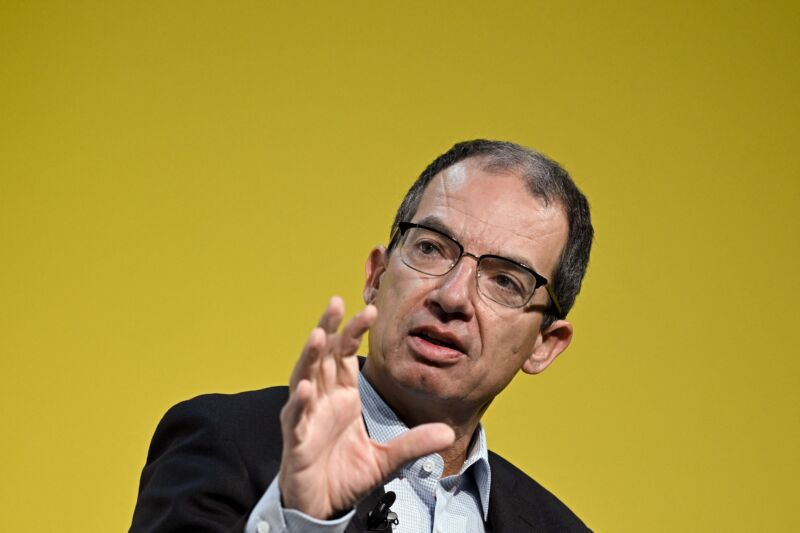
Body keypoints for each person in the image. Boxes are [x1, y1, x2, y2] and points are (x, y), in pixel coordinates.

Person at [130, 139, 594, 532]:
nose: (452, 297)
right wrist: (302, 521)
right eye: (431, 248)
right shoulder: (224, 442)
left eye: (505, 280)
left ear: (544, 344)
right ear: (376, 276)